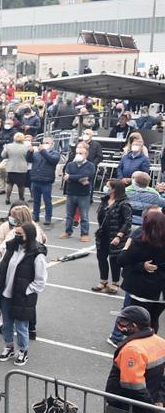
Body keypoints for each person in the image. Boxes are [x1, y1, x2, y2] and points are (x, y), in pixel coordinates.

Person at [0, 222, 47, 367]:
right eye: (16, 233)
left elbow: (40, 281)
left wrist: (27, 290)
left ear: (29, 235)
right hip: (6, 294)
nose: (16, 236)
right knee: (7, 324)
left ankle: (23, 350)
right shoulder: (11, 247)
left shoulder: (37, 254)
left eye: (20, 234)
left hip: (22, 296)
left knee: (21, 326)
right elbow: (1, 264)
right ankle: (9, 347)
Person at [107, 210, 165, 347]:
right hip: (161, 293)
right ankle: (150, 345)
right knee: (153, 319)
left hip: (142, 290)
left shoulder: (141, 242)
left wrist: (126, 248)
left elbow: (121, 261)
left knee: (135, 321)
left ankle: (133, 345)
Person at [94, 179, 134, 294]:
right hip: (103, 234)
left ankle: (115, 283)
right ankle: (103, 281)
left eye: (108, 186)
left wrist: (119, 236)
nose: (105, 188)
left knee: (114, 259)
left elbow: (127, 222)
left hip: (116, 235)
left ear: (115, 189)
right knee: (101, 257)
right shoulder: (105, 200)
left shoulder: (124, 203)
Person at [61, 146, 96, 241]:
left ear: (86, 155)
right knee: (69, 215)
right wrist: (78, 179)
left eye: (81, 153)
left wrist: (71, 177)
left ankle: (84, 234)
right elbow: (67, 176)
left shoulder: (90, 165)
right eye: (77, 153)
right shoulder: (70, 165)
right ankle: (68, 232)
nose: (78, 155)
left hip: (83, 194)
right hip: (71, 192)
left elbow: (85, 176)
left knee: (84, 216)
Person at [27, 136, 60, 226]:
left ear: (52, 144)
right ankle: (35, 216)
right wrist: (29, 152)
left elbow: (52, 160)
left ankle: (48, 217)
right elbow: (29, 159)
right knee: (36, 200)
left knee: (47, 200)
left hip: (47, 181)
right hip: (35, 179)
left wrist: (43, 151)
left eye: (47, 143)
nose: (45, 144)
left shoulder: (55, 153)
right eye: (44, 142)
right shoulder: (37, 153)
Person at [1, 132, 31, 204]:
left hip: (11, 167)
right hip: (22, 168)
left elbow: (3, 155)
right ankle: (21, 198)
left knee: (9, 184)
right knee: (21, 185)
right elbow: (29, 158)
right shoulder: (26, 147)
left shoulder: (8, 146)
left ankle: (7, 198)